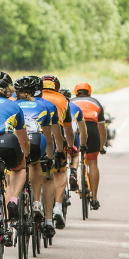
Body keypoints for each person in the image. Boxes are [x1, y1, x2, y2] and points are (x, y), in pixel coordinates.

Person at [0, 71, 30, 247]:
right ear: (9, 89)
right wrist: (25, 156)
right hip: (8, 141)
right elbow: (23, 140)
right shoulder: (15, 106)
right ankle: (13, 199)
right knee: (19, 168)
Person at [13, 76, 54, 234]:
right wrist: (50, 158)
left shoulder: (12, 104)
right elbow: (49, 139)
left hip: (17, 140)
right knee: (36, 163)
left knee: (14, 166)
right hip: (37, 140)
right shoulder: (43, 106)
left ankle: (13, 198)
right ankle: (37, 201)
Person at [37, 76, 75, 231]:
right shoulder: (63, 100)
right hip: (54, 136)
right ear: (57, 87)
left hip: (35, 136)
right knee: (59, 173)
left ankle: (33, 202)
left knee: (34, 169)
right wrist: (69, 147)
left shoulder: (35, 97)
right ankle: (58, 206)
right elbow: (68, 130)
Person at [71, 82, 106, 210]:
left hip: (76, 128)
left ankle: (73, 173)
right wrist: (101, 146)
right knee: (93, 163)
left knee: (73, 155)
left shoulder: (71, 102)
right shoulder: (96, 103)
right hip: (91, 129)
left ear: (76, 92)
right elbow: (102, 129)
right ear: (89, 92)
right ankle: (94, 199)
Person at [60, 88, 87, 191]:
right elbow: (83, 131)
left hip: (59, 134)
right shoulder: (76, 107)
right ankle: (73, 172)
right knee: (75, 154)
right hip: (73, 134)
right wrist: (83, 145)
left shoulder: (56, 105)